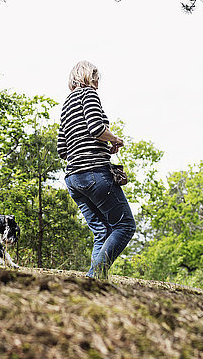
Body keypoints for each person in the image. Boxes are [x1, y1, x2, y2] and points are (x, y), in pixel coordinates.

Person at [57, 60, 136, 279]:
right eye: (97, 79)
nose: (98, 85)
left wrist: (97, 146)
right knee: (125, 226)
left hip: (73, 179)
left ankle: (95, 283)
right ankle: (94, 276)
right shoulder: (88, 95)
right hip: (94, 173)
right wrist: (116, 139)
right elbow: (96, 127)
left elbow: (62, 149)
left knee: (102, 231)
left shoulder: (65, 106)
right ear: (88, 76)